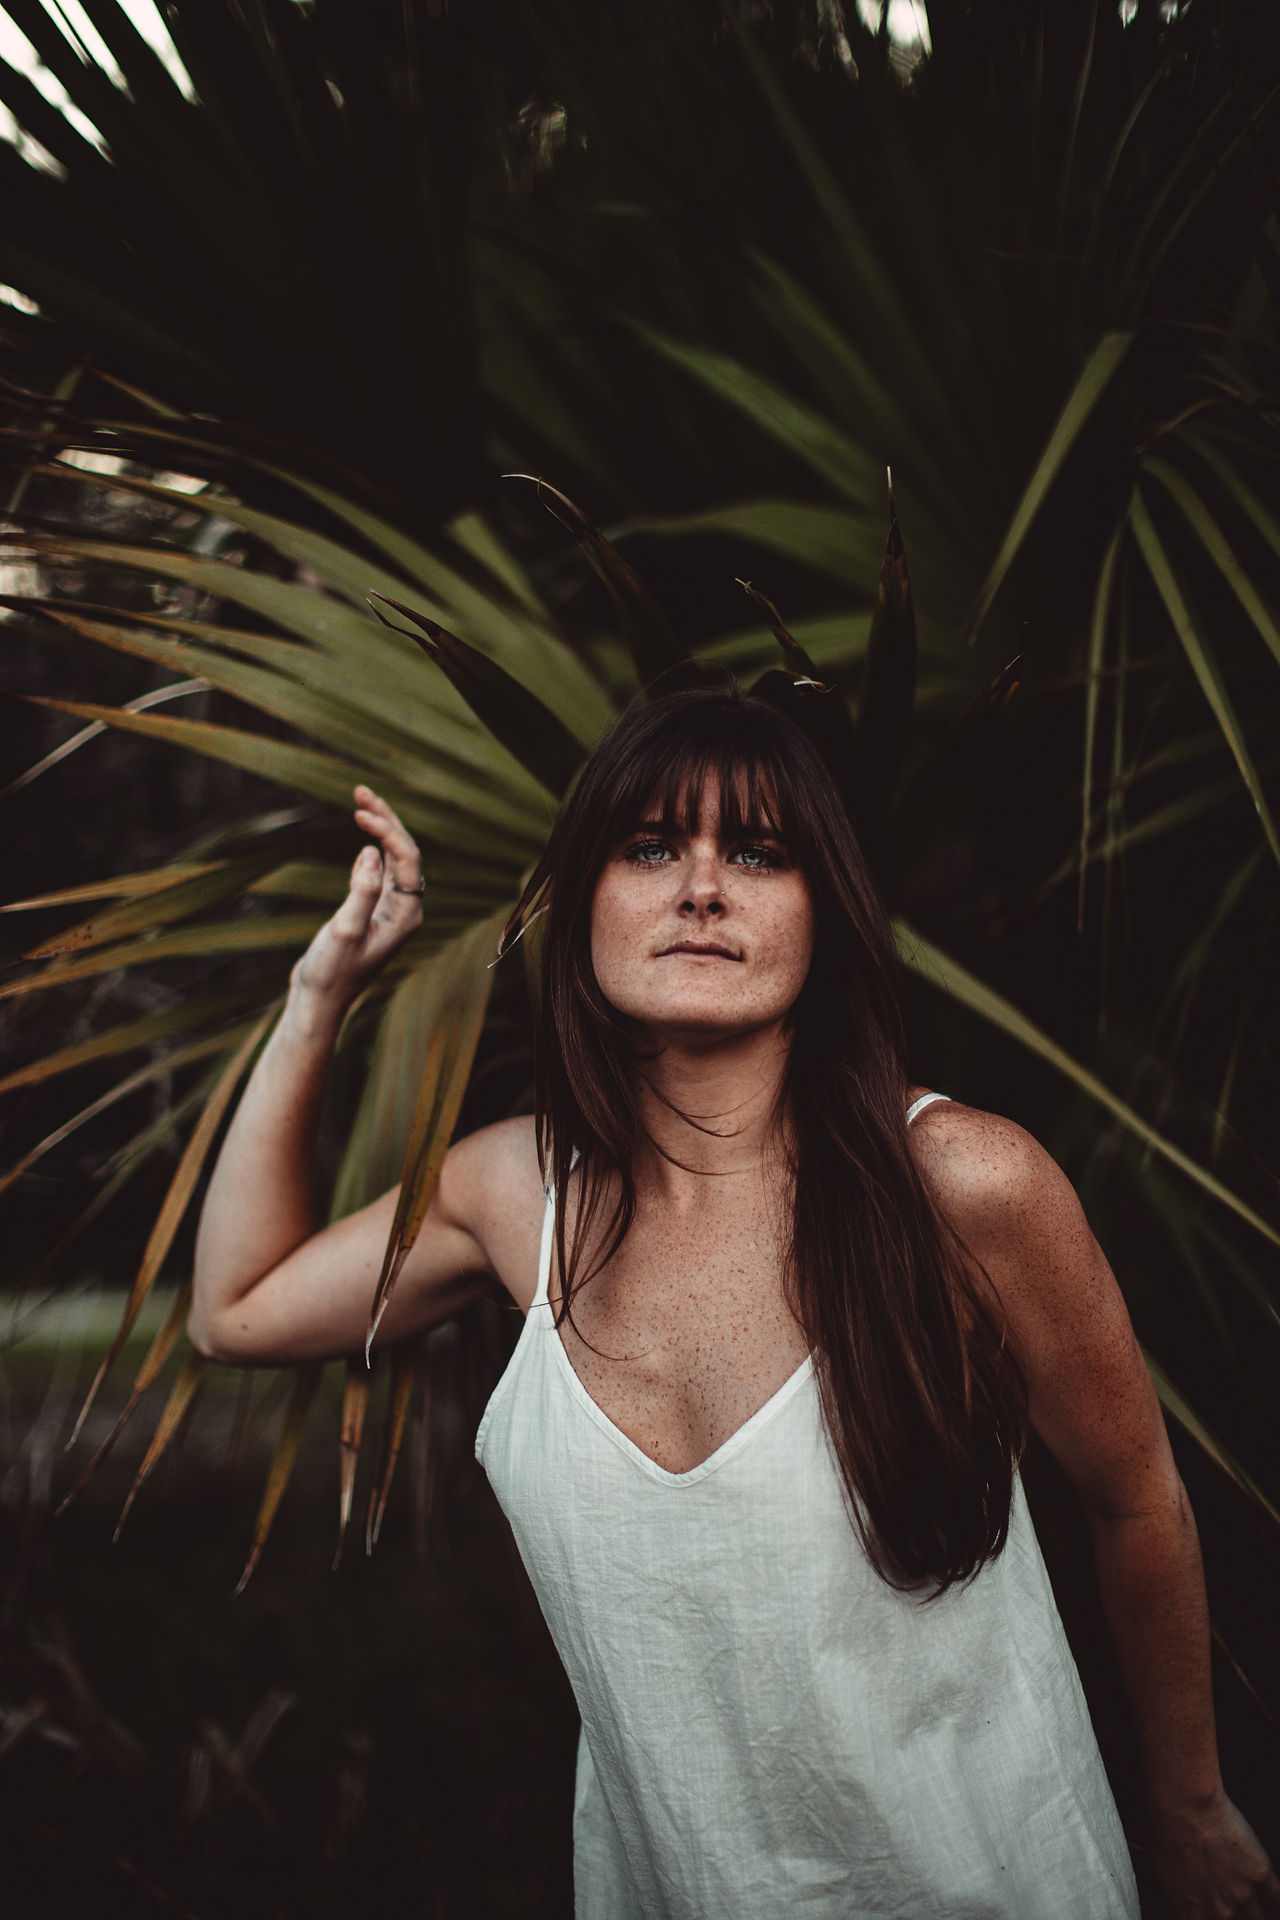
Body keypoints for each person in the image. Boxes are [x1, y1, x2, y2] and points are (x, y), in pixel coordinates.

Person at [190, 688, 1277, 1920]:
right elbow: (236, 1309)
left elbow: (1134, 1496)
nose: (701, 888)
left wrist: (1186, 1806)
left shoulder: (960, 1184)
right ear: (583, 902)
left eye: (757, 853)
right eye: (650, 847)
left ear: (824, 914)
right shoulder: (512, 1198)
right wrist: (318, 996)